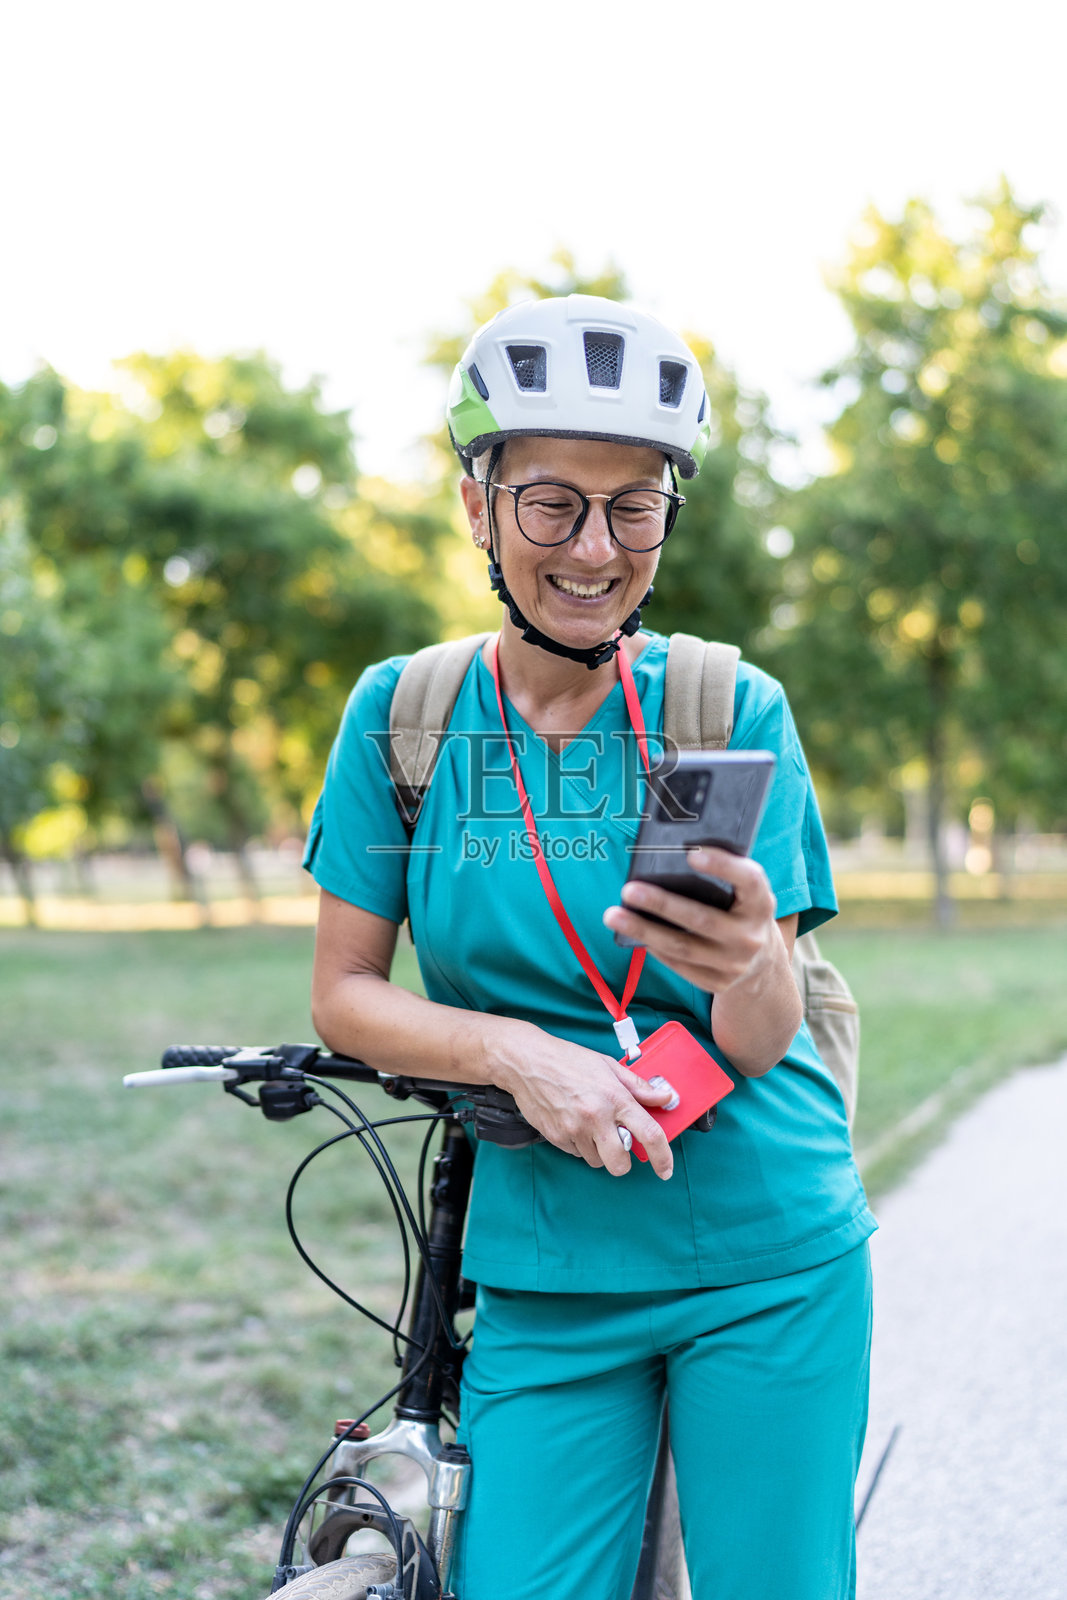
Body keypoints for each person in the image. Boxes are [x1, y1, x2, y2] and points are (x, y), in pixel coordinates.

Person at [303, 295, 876, 1600]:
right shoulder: (409, 720)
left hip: (766, 1260)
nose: (596, 548)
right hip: (545, 1273)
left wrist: (746, 962)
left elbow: (761, 1034)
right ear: (477, 504)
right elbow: (344, 994)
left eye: (636, 508)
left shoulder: (718, 705)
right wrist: (516, 1056)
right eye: (554, 503)